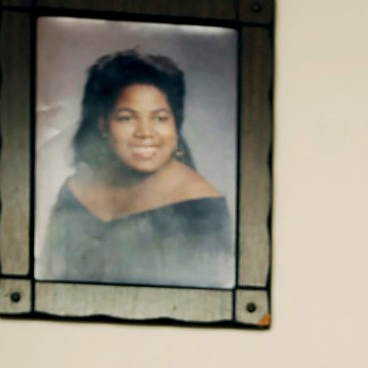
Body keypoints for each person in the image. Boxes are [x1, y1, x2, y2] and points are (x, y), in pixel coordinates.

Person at [38, 49, 234, 289]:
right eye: (126, 118)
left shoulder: (202, 210)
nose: (145, 132)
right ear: (103, 125)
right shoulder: (74, 192)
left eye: (160, 118)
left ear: (176, 124)